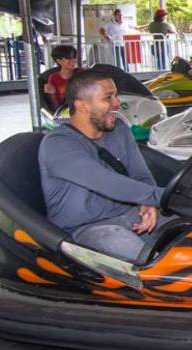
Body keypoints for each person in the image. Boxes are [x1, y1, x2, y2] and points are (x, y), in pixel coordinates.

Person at [39, 69, 173, 263]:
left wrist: (149, 203)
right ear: (82, 105)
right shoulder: (58, 144)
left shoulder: (119, 129)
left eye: (115, 95)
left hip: (131, 215)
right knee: (151, 263)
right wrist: (166, 197)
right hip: (87, 229)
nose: (117, 103)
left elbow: (140, 174)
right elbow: (108, 183)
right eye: (108, 98)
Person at [43, 45, 84, 111]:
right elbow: (54, 105)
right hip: (65, 110)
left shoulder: (81, 72)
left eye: (74, 57)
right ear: (59, 61)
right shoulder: (53, 78)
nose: (73, 60)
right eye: (69, 58)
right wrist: (52, 94)